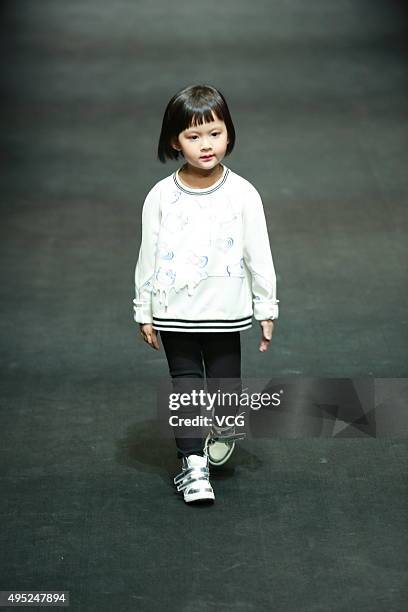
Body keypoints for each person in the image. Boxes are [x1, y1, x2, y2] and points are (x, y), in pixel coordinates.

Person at [132, 84, 279, 504]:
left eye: (214, 133)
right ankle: (193, 465)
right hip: (175, 309)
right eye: (193, 137)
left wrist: (266, 305)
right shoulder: (161, 196)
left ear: (228, 132)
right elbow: (148, 256)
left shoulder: (243, 193)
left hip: (226, 311)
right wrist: (144, 308)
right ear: (174, 142)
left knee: (226, 389)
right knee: (187, 387)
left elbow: (259, 253)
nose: (206, 145)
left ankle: (223, 424)